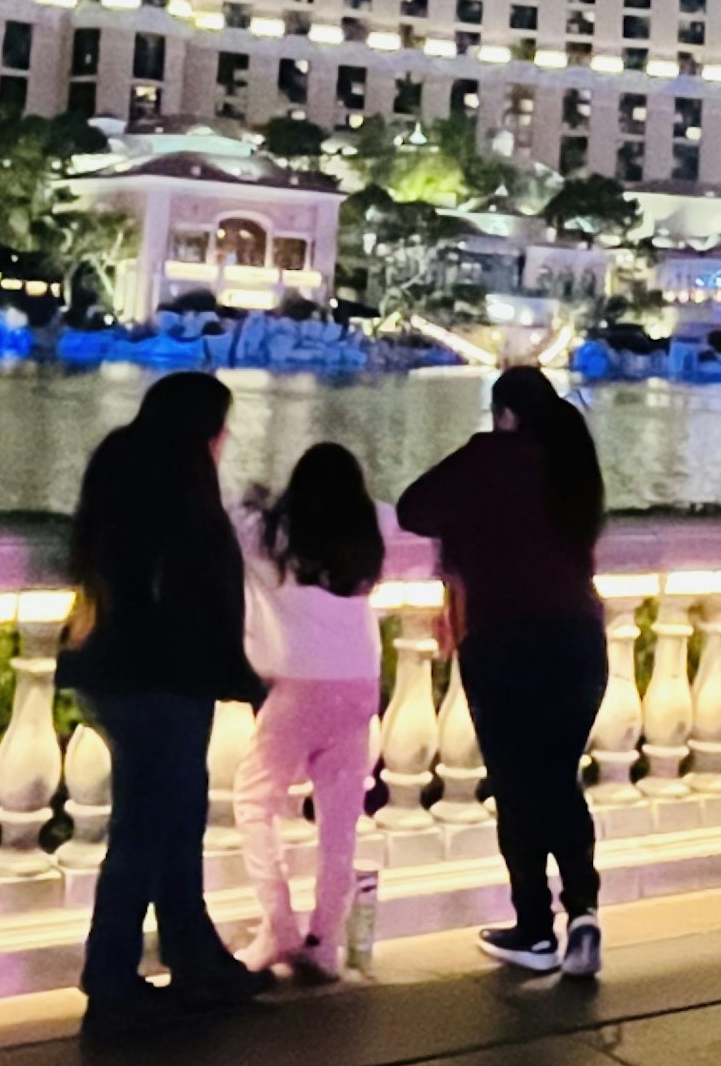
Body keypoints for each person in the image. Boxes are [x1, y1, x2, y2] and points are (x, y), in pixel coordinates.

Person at [59, 372, 269, 1035]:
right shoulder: (182, 484)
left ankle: (193, 957)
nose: (224, 440)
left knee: (172, 821)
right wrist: (241, 677)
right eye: (221, 427)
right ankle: (113, 979)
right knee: (151, 831)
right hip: (163, 677)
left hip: (115, 670)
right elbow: (199, 593)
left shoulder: (120, 460)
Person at [400, 367, 608, 979]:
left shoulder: (491, 456)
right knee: (557, 781)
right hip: (578, 642)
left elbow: (415, 508)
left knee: (518, 788)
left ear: (504, 413)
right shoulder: (571, 466)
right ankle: (585, 913)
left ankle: (535, 928)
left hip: (506, 640)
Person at [229, 443, 384, 982]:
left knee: (253, 798)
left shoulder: (273, 539)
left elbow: (229, 513)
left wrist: (261, 496)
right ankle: (325, 940)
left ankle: (279, 927)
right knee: (340, 821)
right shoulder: (367, 545)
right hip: (360, 685)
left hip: (299, 686)